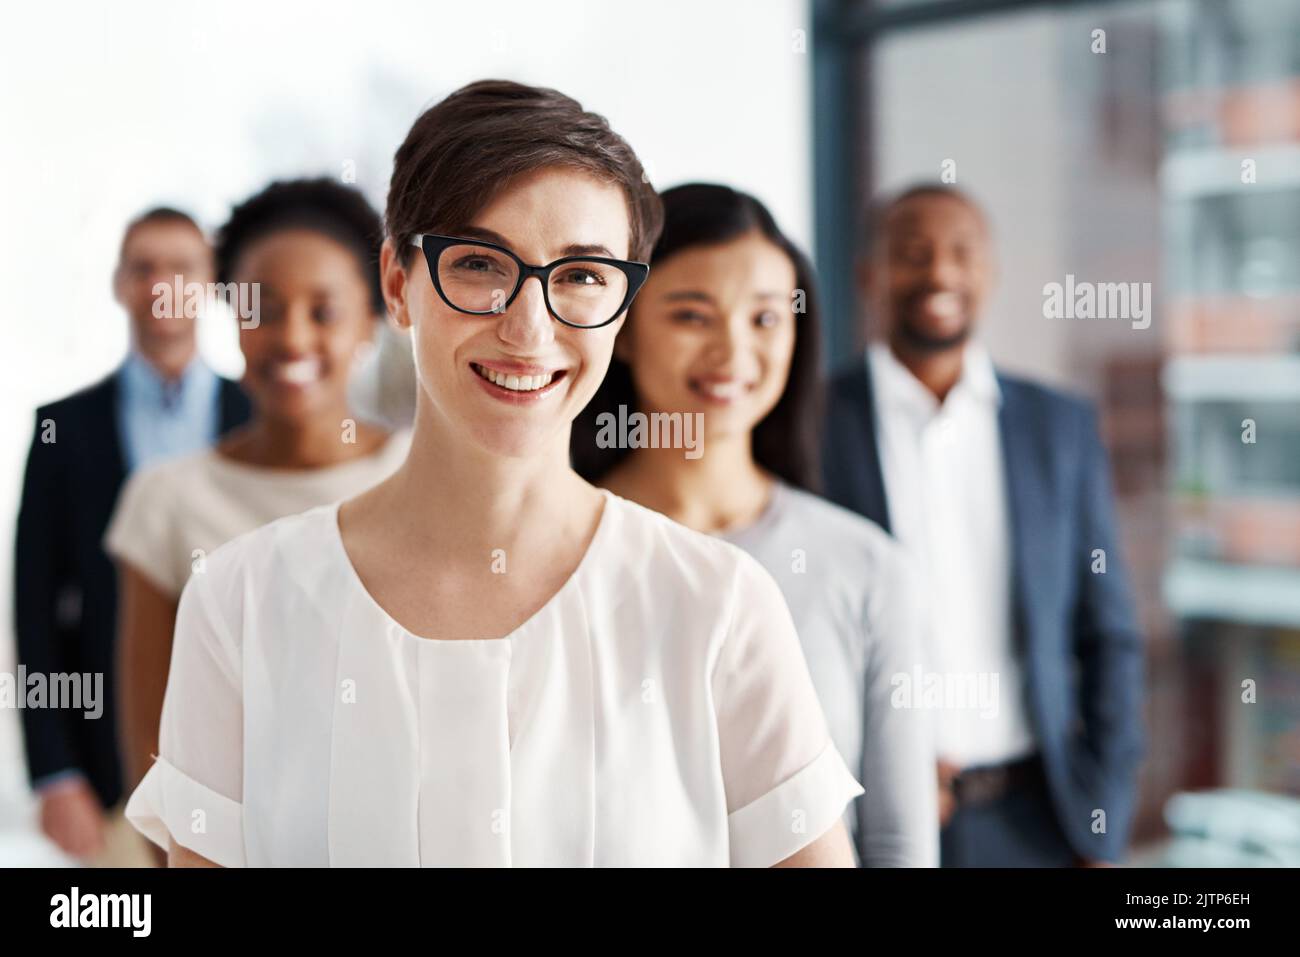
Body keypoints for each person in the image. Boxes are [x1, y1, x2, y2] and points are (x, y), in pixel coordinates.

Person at [124, 80, 862, 867]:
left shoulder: (720, 607)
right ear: (398, 284)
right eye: (480, 263)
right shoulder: (240, 602)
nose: (528, 327)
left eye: (581, 275)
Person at [574, 183, 937, 866]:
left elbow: (896, 839)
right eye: (691, 315)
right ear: (621, 331)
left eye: (766, 319)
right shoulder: (553, 549)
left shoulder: (865, 566)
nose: (732, 351)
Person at [821, 183, 1145, 866]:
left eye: (961, 252)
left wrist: (1102, 816)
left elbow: (1108, 633)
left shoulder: (1060, 427)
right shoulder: (813, 424)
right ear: (868, 274)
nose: (939, 272)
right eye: (911, 253)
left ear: (989, 273)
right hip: (872, 820)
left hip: (1040, 819)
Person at [106, 179, 408, 841]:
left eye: (323, 311)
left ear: (372, 317)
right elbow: (155, 760)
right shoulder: (167, 500)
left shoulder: (424, 478)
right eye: (262, 309)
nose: (290, 337)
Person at [14, 207, 251, 867]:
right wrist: (55, 773)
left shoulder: (262, 418)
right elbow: (33, 610)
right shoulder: (62, 429)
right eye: (143, 267)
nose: (161, 283)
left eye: (181, 266)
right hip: (111, 779)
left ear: (210, 282)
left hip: (250, 775)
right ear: (120, 284)